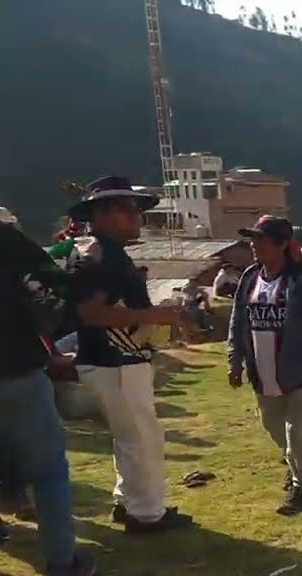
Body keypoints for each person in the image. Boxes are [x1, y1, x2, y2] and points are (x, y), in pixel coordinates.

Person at [67, 176, 195, 533]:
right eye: (128, 210)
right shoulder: (102, 255)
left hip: (117, 359)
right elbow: (92, 313)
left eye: (138, 210)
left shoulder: (101, 250)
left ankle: (129, 501)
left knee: (129, 437)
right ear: (101, 212)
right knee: (141, 438)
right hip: (116, 361)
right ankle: (147, 514)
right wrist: (157, 315)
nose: (136, 217)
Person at [0, 215, 96, 576]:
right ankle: (62, 564)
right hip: (15, 370)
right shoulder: (3, 236)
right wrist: (44, 333)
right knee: (49, 471)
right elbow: (55, 283)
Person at [227, 215, 302, 515]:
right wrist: (234, 360)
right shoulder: (250, 277)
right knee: (273, 427)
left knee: (297, 432)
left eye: (261, 240)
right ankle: (301, 466)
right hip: (262, 373)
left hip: (300, 371)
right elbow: (238, 320)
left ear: (282, 244)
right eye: (252, 239)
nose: (254, 245)